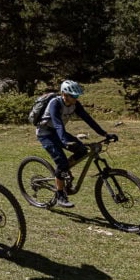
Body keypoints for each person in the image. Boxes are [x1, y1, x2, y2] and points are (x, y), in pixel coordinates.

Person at [36, 80, 118, 208]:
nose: (75, 98)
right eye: (73, 95)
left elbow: (88, 119)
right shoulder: (55, 103)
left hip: (59, 132)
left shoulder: (75, 104)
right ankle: (60, 195)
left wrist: (105, 134)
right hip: (45, 133)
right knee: (61, 162)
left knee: (82, 151)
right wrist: (64, 140)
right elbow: (58, 124)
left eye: (77, 96)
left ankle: (63, 172)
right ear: (64, 94)